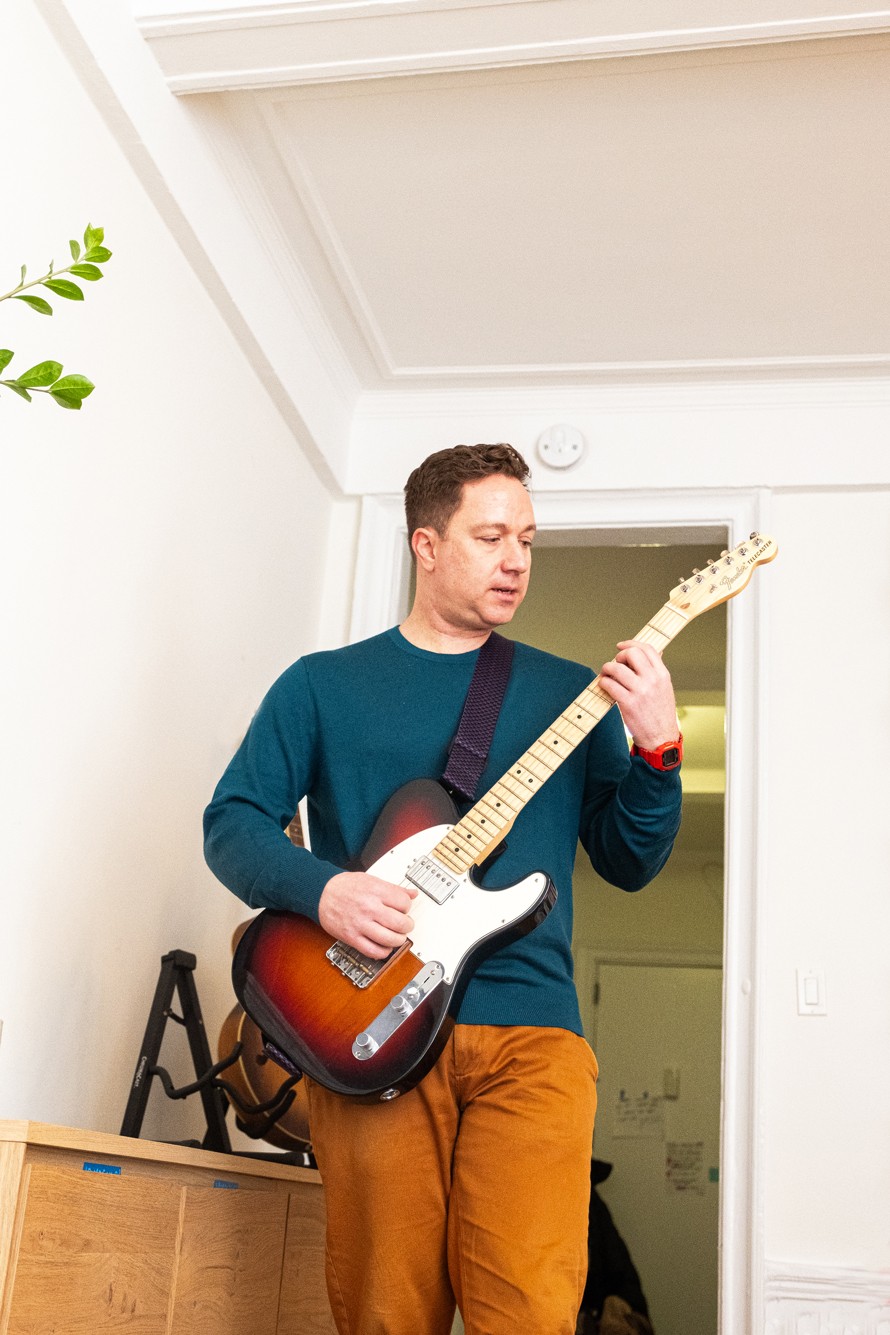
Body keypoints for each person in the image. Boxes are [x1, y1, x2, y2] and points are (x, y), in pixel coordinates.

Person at [203, 442, 682, 1335]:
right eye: (492, 535)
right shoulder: (322, 687)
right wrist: (325, 892)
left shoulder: (566, 692)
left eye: (528, 540)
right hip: (372, 1027)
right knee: (387, 1309)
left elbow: (628, 857)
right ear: (426, 544)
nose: (516, 560)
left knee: (532, 1310)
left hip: (533, 1035)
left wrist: (658, 750)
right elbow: (232, 823)